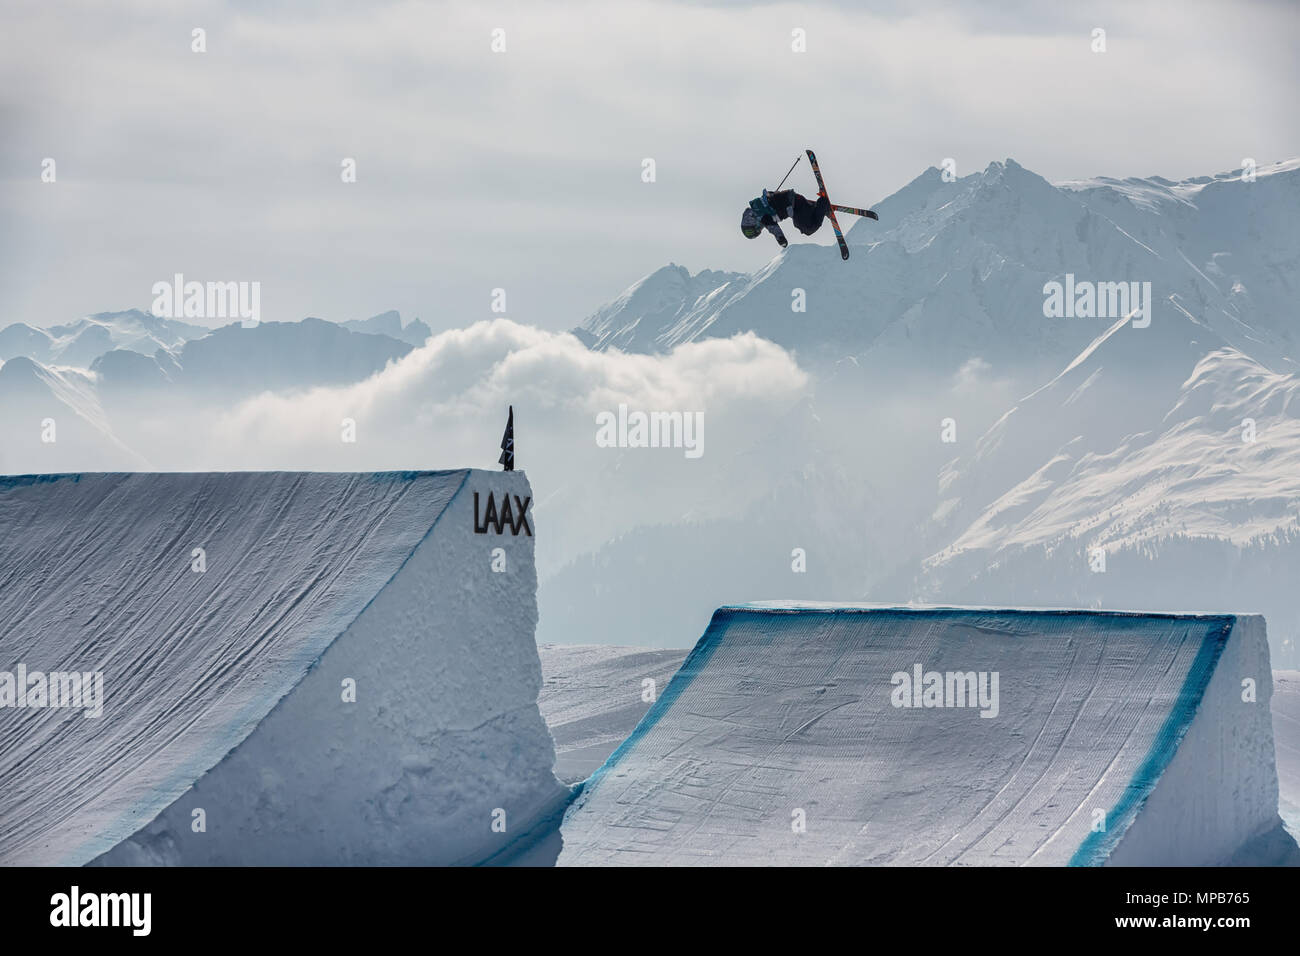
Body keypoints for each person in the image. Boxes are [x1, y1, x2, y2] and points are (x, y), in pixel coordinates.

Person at [740, 188, 831, 246]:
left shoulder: (761, 216)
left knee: (808, 228)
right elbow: (770, 196)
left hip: (795, 204)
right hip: (794, 204)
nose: (761, 227)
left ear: (752, 223)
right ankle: (818, 209)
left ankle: (823, 204)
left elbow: (772, 226)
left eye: (758, 228)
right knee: (800, 224)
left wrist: (781, 238)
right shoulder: (757, 207)